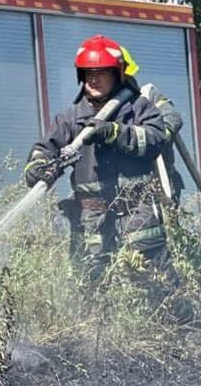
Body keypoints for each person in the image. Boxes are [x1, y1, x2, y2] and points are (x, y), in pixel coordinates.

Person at [23, 34, 179, 285]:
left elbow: (155, 139)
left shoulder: (138, 108)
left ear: (116, 73)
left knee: (156, 286)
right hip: (90, 220)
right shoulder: (71, 118)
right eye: (88, 74)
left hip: (137, 216)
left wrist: (114, 132)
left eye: (101, 73)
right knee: (92, 288)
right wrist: (37, 167)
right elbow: (45, 148)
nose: (93, 79)